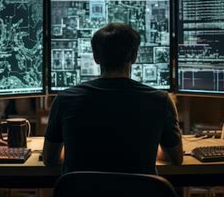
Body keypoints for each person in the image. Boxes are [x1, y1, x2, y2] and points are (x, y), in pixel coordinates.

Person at [43, 23, 183, 174]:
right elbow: (176, 158)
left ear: (96, 57)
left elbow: (49, 159)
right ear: (134, 56)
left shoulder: (64, 100)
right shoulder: (161, 100)